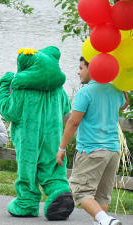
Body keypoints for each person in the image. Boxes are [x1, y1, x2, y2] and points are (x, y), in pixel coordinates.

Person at [0, 47, 74, 220]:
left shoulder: (22, 89)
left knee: (28, 168)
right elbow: (66, 109)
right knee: (53, 167)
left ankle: (27, 203)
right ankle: (59, 192)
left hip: (28, 138)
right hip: (53, 138)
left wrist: (3, 88)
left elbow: (10, 112)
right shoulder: (58, 90)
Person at [56, 57, 129, 225]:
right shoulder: (114, 90)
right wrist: (121, 83)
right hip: (112, 151)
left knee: (79, 190)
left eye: (81, 68)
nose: (78, 71)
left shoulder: (85, 93)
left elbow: (73, 122)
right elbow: (124, 104)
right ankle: (103, 222)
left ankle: (105, 220)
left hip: (92, 150)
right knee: (102, 195)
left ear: (93, 69)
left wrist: (61, 148)